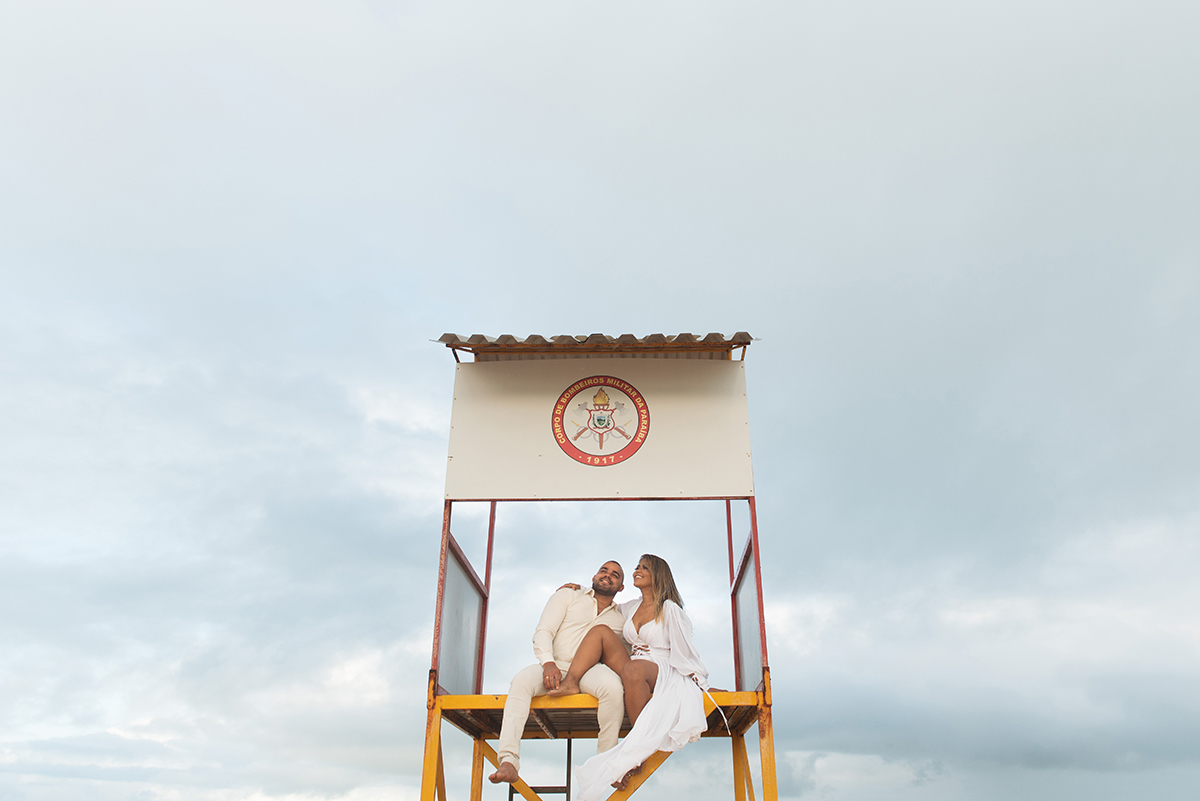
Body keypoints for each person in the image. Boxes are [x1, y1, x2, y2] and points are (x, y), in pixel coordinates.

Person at [548, 554, 710, 801]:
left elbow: (685, 652)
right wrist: (578, 589)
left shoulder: (670, 609)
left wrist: (702, 685)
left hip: (662, 668)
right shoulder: (631, 607)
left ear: (657, 575)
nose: (637, 570)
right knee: (600, 631)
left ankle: (636, 746)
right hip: (634, 666)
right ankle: (571, 681)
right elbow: (605, 598)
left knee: (634, 670)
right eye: (637, 567)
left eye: (644, 568)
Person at [487, 561, 627, 786]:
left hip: (591, 671)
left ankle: (607, 764)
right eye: (604, 570)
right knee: (521, 681)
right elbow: (544, 630)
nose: (608, 576)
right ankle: (508, 760)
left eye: (615, 575)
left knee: (612, 688)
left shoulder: (622, 616)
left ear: (620, 587)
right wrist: (548, 663)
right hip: (556, 666)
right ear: (594, 575)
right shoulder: (569, 596)